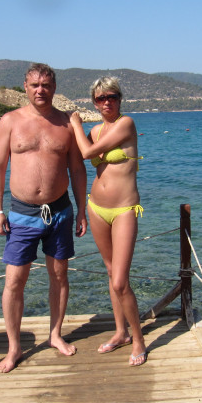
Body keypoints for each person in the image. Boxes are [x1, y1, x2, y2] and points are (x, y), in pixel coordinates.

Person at [0, 62, 88, 373]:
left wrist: (82, 210)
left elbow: (77, 169)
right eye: (35, 85)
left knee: (59, 275)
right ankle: (14, 347)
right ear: (25, 87)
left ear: (54, 87)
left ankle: (55, 334)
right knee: (14, 280)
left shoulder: (66, 123)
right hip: (22, 213)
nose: (40, 90)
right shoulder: (10, 121)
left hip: (60, 211)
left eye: (46, 85)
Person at [70, 76, 147, 366]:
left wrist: (74, 125)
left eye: (111, 96)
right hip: (97, 207)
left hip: (124, 209)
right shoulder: (95, 130)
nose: (106, 102)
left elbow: (88, 152)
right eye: (101, 98)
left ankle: (138, 339)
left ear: (120, 98)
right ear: (94, 102)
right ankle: (120, 332)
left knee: (120, 280)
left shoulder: (126, 124)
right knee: (111, 272)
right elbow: (78, 157)